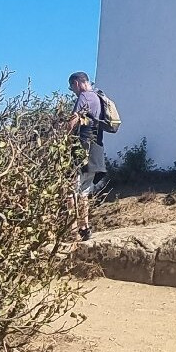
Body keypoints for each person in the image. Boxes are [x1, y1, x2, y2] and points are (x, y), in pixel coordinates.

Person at [67, 71, 107, 240]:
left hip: (81, 149)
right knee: (83, 192)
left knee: (70, 191)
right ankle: (85, 227)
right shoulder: (100, 98)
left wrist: (63, 135)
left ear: (77, 83)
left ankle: (72, 231)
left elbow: (74, 120)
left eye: (71, 87)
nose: (73, 91)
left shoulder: (84, 97)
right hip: (96, 150)